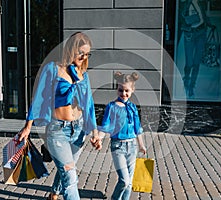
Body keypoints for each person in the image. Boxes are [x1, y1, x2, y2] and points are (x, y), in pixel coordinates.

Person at [18, 32, 101, 200]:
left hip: (78, 130)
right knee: (70, 176)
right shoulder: (52, 69)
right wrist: (28, 126)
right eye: (81, 53)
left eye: (87, 54)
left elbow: (88, 105)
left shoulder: (83, 75)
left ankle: (54, 194)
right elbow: (39, 97)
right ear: (71, 49)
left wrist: (94, 133)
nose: (84, 57)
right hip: (57, 131)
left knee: (66, 168)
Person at [97, 71, 146, 200]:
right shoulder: (111, 106)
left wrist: (141, 145)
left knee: (129, 183)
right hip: (118, 146)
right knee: (124, 180)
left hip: (132, 146)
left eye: (126, 91)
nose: (123, 94)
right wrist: (99, 138)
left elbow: (137, 128)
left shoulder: (133, 108)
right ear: (117, 89)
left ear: (132, 90)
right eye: (120, 90)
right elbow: (106, 126)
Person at [180, 0, 208, 97]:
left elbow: (203, 17)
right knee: (189, 62)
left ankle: (192, 86)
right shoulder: (186, 3)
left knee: (196, 62)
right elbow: (182, 16)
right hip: (190, 33)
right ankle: (186, 81)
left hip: (201, 32)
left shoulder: (201, 2)